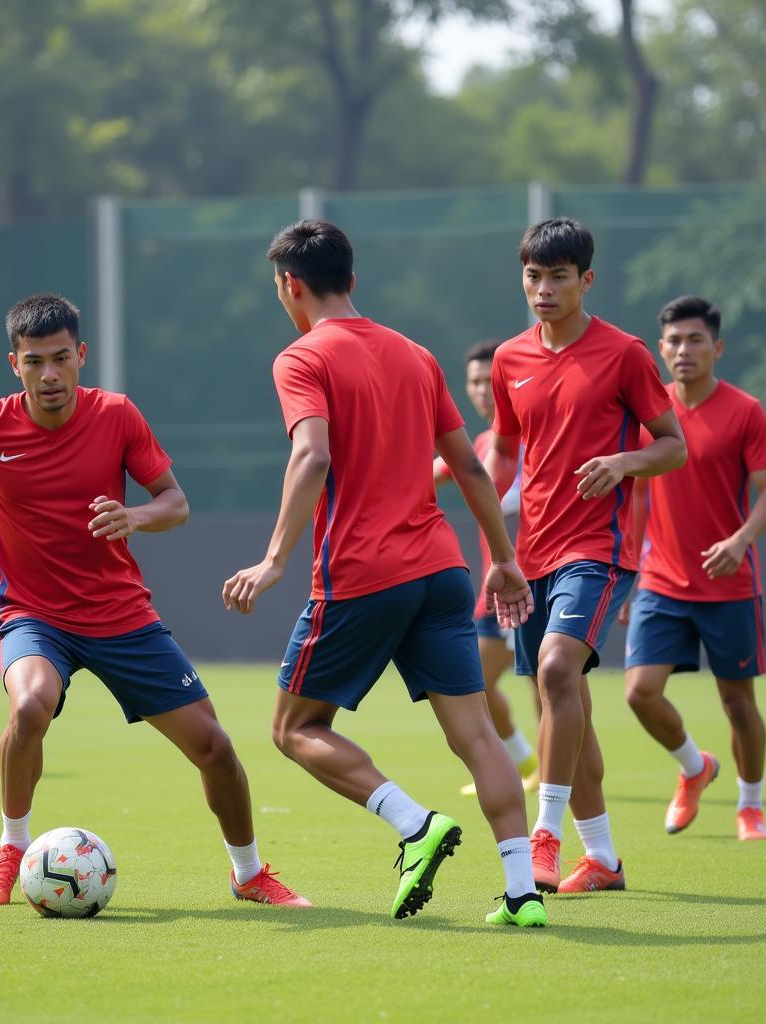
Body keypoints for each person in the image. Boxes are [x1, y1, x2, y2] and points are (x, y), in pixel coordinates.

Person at [0, 294, 308, 909]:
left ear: (81, 356)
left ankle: (249, 874)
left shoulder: (117, 415)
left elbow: (175, 502)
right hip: (31, 615)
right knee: (33, 704)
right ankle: (14, 846)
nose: (49, 375)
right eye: (35, 360)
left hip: (121, 616)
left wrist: (134, 516)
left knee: (216, 749)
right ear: (14, 363)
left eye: (61, 358)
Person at [223, 219, 547, 928]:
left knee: (295, 727)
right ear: (354, 280)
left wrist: (276, 557)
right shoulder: (415, 354)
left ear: (290, 285)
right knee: (478, 736)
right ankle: (523, 893)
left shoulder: (301, 359)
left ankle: (413, 824)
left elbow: (311, 457)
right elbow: (469, 465)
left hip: (363, 575)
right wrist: (503, 559)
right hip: (442, 570)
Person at [490, 218, 687, 894]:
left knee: (554, 672)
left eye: (558, 277)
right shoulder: (511, 360)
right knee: (563, 702)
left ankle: (543, 837)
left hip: (598, 550)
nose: (543, 290)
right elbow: (506, 459)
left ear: (586, 280)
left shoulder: (625, 353)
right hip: (532, 553)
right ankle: (601, 857)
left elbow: (673, 445)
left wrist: (624, 460)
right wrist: (496, 545)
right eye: (533, 276)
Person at [621, 295, 766, 841]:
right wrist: (631, 567)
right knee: (639, 692)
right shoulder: (653, 414)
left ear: (717, 347)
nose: (683, 350)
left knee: (738, 703)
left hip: (729, 583)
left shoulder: (745, 411)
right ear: (660, 348)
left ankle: (751, 806)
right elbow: (637, 496)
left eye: (695, 340)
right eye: (673, 341)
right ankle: (695, 767)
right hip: (661, 580)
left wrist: (741, 540)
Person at [433, 340, 539, 796]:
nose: (481, 390)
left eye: (488, 380)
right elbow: (431, 471)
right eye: (474, 382)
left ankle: (558, 777)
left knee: (547, 688)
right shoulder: (479, 443)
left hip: (535, 583)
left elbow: (519, 500)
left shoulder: (530, 441)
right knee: (475, 687)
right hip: (494, 591)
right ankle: (524, 760)